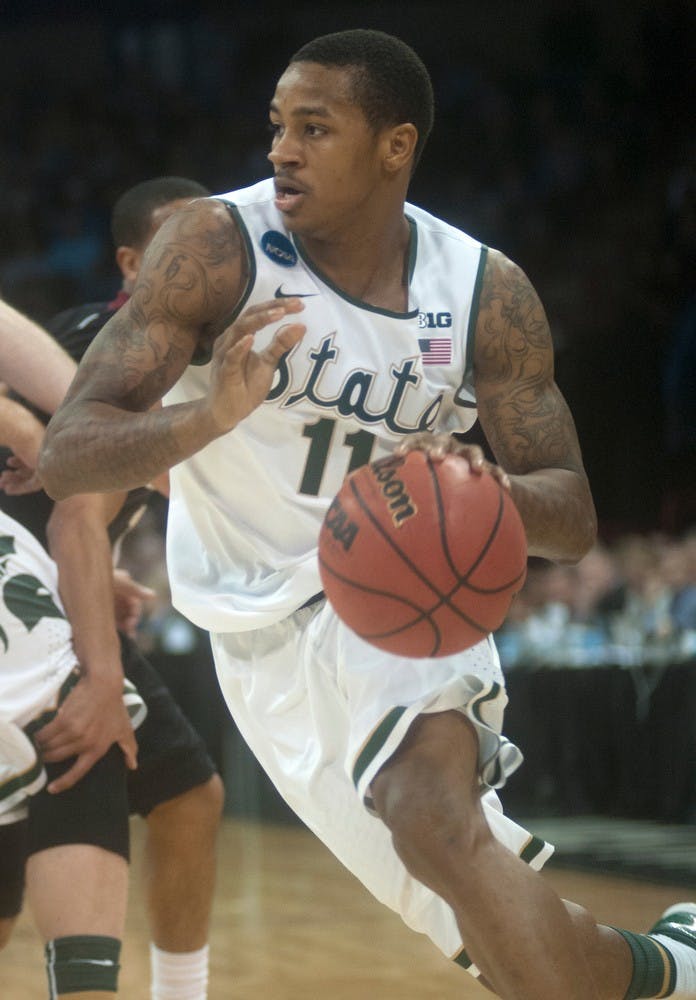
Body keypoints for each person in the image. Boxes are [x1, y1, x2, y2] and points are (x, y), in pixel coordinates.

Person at [40, 29, 696, 1000]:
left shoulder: (483, 292)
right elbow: (68, 453)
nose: (280, 151)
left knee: (431, 817)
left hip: (403, 597)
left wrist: (476, 495)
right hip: (256, 635)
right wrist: (213, 413)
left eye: (314, 127)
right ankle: (672, 965)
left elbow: (570, 518)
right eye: (276, 126)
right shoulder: (215, 247)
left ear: (395, 147)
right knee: (475, 917)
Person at [2, 179, 224, 1000]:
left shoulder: (101, 335)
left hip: (48, 586)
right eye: (180, 243)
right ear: (132, 263)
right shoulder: (128, 349)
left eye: (218, 242)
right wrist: (101, 671)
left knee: (191, 794)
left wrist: (102, 571)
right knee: (83, 775)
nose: (205, 261)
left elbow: (69, 508)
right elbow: (73, 517)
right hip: (30, 613)